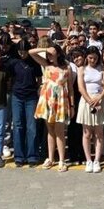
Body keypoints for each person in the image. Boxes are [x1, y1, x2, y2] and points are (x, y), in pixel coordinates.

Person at [31, 44, 73, 172]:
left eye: (51, 52)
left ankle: (61, 159)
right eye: (48, 53)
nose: (49, 55)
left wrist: (72, 105)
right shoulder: (46, 64)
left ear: (58, 53)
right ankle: (50, 158)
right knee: (50, 131)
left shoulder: (66, 67)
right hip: (47, 100)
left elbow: (70, 88)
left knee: (59, 131)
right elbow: (31, 52)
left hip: (60, 101)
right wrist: (45, 49)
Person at [4, 39, 41, 167]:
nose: (22, 54)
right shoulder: (13, 63)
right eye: (20, 51)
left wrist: (37, 89)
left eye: (24, 51)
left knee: (32, 127)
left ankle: (32, 156)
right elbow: (7, 76)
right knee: (18, 125)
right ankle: (19, 156)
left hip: (31, 97)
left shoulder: (34, 62)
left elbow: (39, 79)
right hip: (17, 96)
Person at [76, 46, 104, 173]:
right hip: (86, 102)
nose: (92, 60)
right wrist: (89, 100)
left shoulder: (102, 69)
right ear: (86, 57)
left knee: (99, 133)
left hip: (99, 101)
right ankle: (89, 160)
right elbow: (80, 87)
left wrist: (98, 98)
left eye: (95, 58)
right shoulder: (81, 69)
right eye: (90, 58)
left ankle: (97, 160)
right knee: (87, 133)